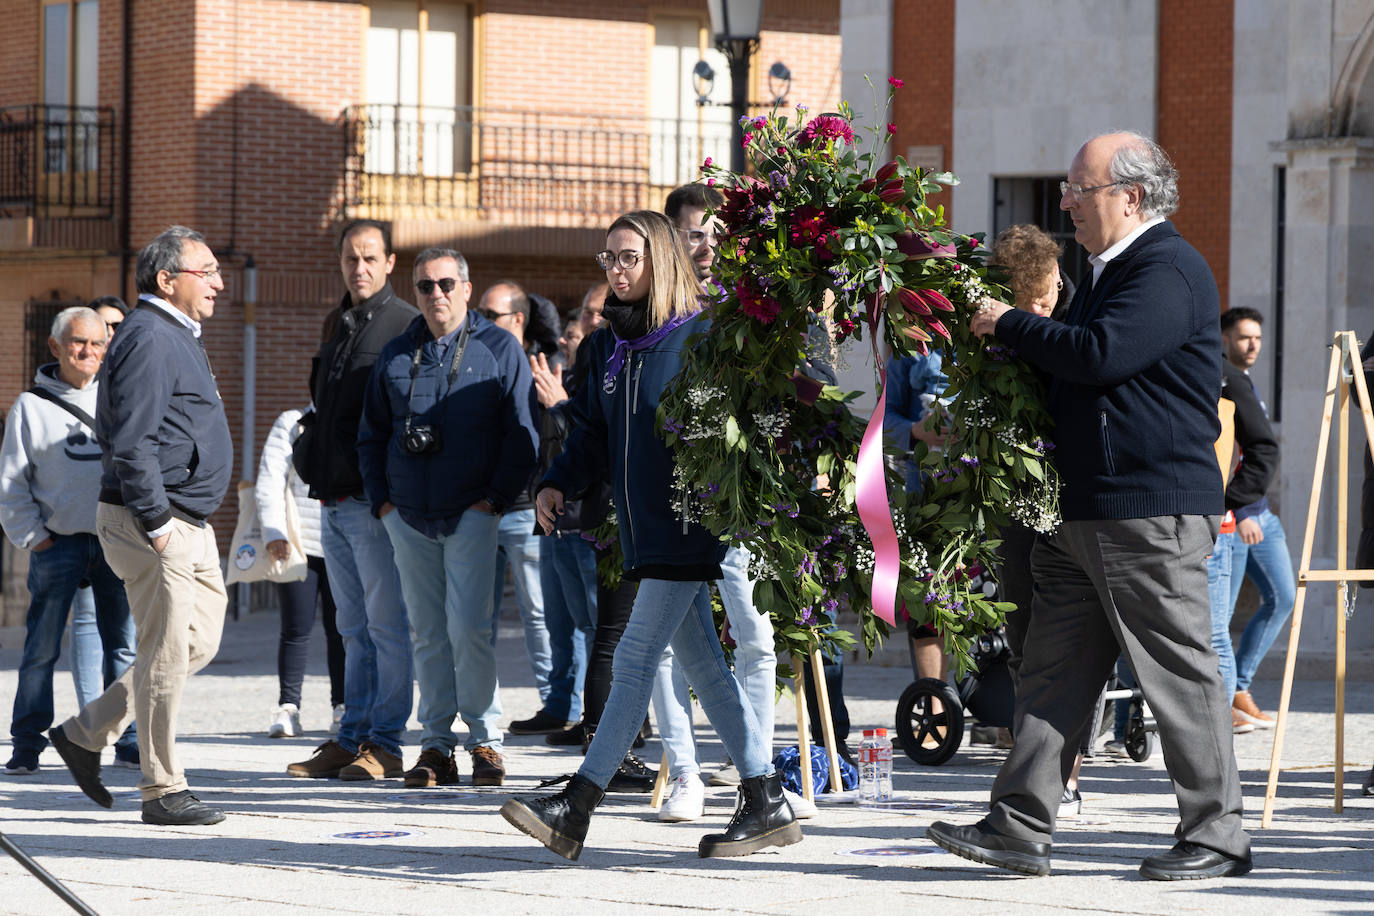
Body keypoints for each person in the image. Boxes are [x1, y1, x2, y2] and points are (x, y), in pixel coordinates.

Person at [930, 131, 1252, 880]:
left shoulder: (1166, 267)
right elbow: (1075, 376)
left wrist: (1007, 322)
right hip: (1084, 510)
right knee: (1052, 672)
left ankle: (1218, 833)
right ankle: (1019, 823)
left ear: (1130, 197)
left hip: (1147, 509)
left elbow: (1101, 355)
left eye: (1082, 187)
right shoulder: (1108, 271)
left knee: (1179, 673)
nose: (1067, 200)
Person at [501, 210, 800, 861]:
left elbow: (760, 418)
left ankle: (576, 806)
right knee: (702, 664)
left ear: (660, 260)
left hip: (695, 529)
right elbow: (591, 434)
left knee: (636, 658)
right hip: (644, 534)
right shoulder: (607, 345)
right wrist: (556, 481)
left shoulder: (706, 338)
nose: (614, 269)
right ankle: (764, 799)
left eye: (627, 257)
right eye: (607, 258)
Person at [49, 226, 233, 826]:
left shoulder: (175, 333)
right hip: (158, 520)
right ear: (166, 279)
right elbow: (131, 441)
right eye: (205, 271)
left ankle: (86, 731)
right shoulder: (151, 336)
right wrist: (156, 522)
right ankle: (162, 790)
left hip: (187, 521)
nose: (218, 282)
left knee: (191, 643)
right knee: (163, 651)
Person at [649, 182, 812, 822]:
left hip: (741, 492)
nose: (708, 243)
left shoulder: (751, 305)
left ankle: (758, 774)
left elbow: (795, 388)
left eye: (717, 231)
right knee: (664, 643)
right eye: (693, 231)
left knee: (757, 633)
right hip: (671, 495)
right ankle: (685, 773)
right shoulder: (652, 307)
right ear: (670, 237)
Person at [358, 248, 537, 788]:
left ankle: (485, 741)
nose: (435, 294)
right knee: (429, 634)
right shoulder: (395, 354)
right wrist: (382, 505)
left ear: (465, 287)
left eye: (444, 284)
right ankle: (435, 745)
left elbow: (522, 435)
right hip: (408, 516)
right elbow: (370, 436)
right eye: (424, 286)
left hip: (472, 513)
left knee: (469, 630)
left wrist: (495, 500)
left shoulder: (500, 348)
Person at [288, 219, 416, 782]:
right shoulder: (337, 322)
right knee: (352, 628)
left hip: (374, 502)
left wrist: (390, 498)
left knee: (386, 627)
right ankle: (351, 736)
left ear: (390, 262)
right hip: (332, 501)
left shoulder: (405, 324)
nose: (358, 269)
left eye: (369, 258)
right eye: (349, 259)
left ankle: (385, 742)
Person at [1, 307, 137, 775]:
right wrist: (35, 538)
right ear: (56, 347)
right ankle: (26, 743)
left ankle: (128, 739)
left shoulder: (119, 399)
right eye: (79, 343)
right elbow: (12, 483)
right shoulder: (30, 407)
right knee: (41, 648)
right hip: (57, 545)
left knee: (123, 645)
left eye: (98, 344)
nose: (89, 352)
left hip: (115, 542)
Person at [475, 281, 554, 722]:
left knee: (539, 615)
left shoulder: (544, 366)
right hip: (486, 507)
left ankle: (556, 703)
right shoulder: (479, 365)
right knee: (476, 619)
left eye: (491, 316)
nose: (480, 324)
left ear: (518, 320)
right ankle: (481, 709)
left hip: (528, 510)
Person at [1220, 307, 1296, 730]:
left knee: (1283, 596)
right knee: (1222, 613)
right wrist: (1239, 506)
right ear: (1226, 338)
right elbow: (1228, 453)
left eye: (1259, 338)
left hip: (1260, 512)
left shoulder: (1243, 382)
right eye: (1245, 337)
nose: (1253, 345)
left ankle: (1239, 687)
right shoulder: (1220, 379)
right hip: (1238, 515)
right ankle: (1229, 698)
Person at [256, 406, 345, 738]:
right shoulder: (292, 422)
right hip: (297, 541)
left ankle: (343, 706)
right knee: (295, 629)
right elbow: (270, 477)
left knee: (342, 629)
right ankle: (288, 707)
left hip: (345, 542)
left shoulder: (352, 415)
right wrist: (274, 531)